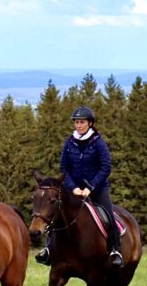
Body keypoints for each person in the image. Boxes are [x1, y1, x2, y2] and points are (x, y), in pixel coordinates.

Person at [39, 106, 123, 268]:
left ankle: (115, 250)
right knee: (56, 213)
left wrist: (90, 187)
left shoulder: (98, 142)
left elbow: (106, 167)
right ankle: (48, 249)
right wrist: (73, 187)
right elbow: (64, 168)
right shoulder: (70, 142)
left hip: (97, 188)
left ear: (90, 123)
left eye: (82, 122)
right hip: (74, 189)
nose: (79, 125)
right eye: (77, 122)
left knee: (108, 216)